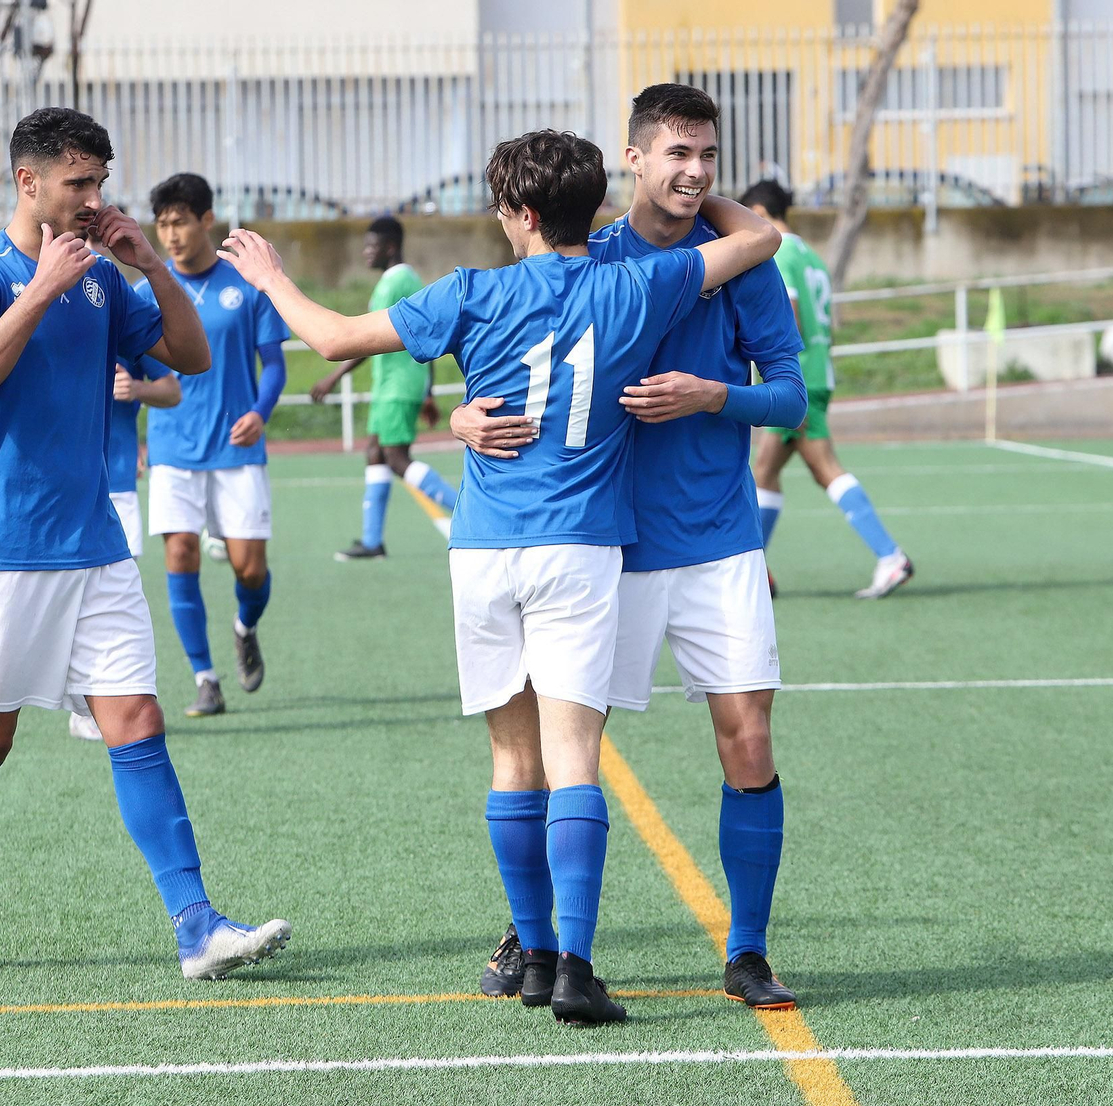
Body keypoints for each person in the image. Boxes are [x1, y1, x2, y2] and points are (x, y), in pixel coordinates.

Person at [217, 129, 779, 1024]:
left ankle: (531, 953)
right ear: (590, 205)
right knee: (575, 763)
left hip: (483, 547)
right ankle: (576, 971)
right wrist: (692, 181)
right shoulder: (637, 283)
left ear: (515, 213)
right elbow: (758, 240)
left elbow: (330, 341)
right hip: (582, 548)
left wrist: (271, 278)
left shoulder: (468, 294)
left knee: (513, 763)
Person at [0, 107, 289, 981]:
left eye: (99, 183)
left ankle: (197, 926)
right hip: (3, 548)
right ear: (26, 183)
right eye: (77, 183)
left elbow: (188, 356)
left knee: (137, 720)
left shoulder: (106, 280)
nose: (91, 199)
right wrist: (40, 287)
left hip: (97, 546)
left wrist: (145, 262)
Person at [452, 86, 807, 1011]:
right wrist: (460, 418)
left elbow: (794, 397)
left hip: (721, 542)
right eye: (677, 154)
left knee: (750, 738)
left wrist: (712, 395)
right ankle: (541, 940)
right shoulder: (591, 255)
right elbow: (500, 359)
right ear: (635, 159)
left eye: (708, 157)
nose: (693, 172)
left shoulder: (740, 266)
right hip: (605, 549)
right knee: (561, 753)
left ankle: (749, 950)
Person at [138, 173, 290, 718]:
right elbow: (134, 374)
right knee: (179, 551)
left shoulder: (245, 285)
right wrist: (132, 436)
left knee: (250, 569)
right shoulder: (147, 293)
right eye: (162, 224)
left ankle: (245, 625)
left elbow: (274, 365)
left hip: (235, 445)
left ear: (206, 220)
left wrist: (259, 412)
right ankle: (205, 677)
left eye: (180, 221)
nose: (171, 234)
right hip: (173, 446)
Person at [740, 179, 913, 600]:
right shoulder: (812, 256)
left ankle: (890, 556)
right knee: (766, 470)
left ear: (760, 213)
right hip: (816, 374)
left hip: (793, 381)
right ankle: (756, 570)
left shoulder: (776, 250)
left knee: (823, 467)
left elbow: (789, 318)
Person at [309, 215, 456, 557]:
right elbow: (425, 336)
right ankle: (372, 541)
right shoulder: (410, 279)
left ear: (389, 248)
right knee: (375, 451)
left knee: (396, 457)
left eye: (371, 246)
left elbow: (365, 340)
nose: (365, 253)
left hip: (396, 387)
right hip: (399, 385)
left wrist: (333, 377)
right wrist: (429, 390)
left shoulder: (393, 283)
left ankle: (463, 510)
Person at [68, 358, 182, 740]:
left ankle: (97, 706)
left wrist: (137, 389)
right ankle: (80, 701)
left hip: (118, 484)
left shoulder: (123, 319)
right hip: (64, 485)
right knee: (71, 601)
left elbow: (172, 389)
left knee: (112, 602)